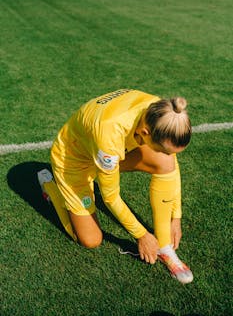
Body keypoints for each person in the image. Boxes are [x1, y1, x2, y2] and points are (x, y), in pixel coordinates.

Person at [38, 89, 193, 284]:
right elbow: (110, 196)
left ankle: (164, 247)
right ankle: (52, 186)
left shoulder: (164, 112)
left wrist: (175, 216)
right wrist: (141, 235)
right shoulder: (110, 134)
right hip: (73, 162)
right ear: (145, 133)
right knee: (90, 240)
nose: (166, 153)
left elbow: (172, 164)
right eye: (163, 149)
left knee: (165, 163)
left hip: (103, 149)